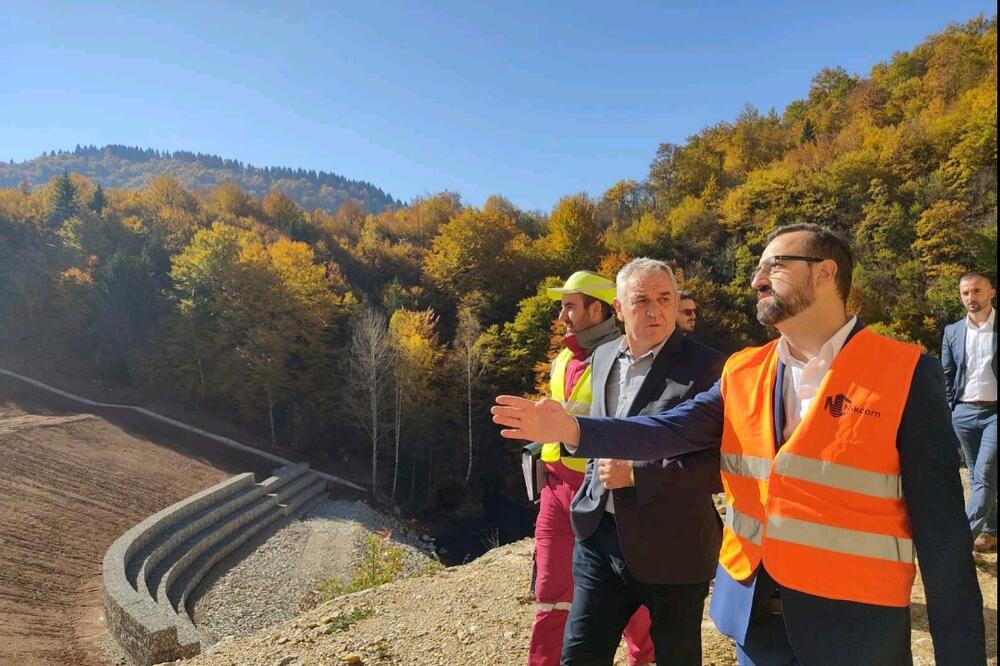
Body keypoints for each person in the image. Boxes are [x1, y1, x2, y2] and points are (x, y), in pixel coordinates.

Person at [494, 224, 985, 665]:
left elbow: (942, 535)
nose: (757, 279)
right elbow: (669, 429)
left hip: (853, 625)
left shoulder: (902, 371)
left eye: (775, 265)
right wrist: (574, 432)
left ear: (825, 273)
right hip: (754, 614)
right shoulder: (745, 369)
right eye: (757, 268)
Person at [562, 258, 724, 666]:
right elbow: (596, 434)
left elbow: (719, 466)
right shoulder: (600, 359)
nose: (654, 310)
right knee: (579, 656)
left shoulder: (709, 368)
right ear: (618, 308)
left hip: (675, 546)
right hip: (600, 538)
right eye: (641, 300)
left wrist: (637, 474)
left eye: (664, 298)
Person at [529, 270, 655, 666]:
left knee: (620, 585)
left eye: (570, 306)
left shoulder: (624, 358)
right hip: (555, 489)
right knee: (550, 589)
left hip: (603, 490)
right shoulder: (563, 358)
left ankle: (645, 659)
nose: (563, 316)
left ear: (596, 308)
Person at [942, 271, 997, 553]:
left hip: (995, 414)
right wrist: (952, 409)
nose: (970, 298)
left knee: (985, 474)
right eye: (965, 293)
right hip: (963, 414)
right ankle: (991, 532)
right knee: (978, 475)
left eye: (977, 291)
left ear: (991, 293)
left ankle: (958, 543)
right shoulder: (952, 331)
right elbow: (947, 375)